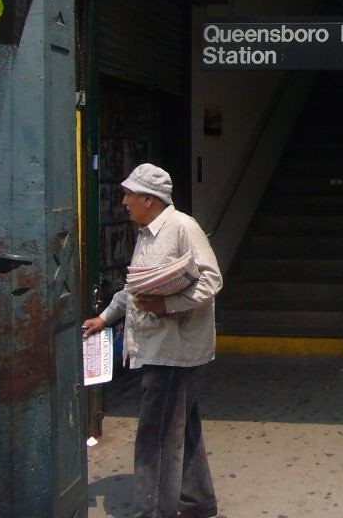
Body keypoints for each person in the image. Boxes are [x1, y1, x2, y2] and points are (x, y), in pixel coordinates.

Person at [83, 163, 223, 518]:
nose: (124, 201)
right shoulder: (147, 233)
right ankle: (197, 502)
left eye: (130, 194)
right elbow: (133, 290)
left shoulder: (182, 228)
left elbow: (211, 280)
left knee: (157, 437)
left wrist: (167, 304)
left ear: (149, 198)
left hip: (175, 352)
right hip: (158, 347)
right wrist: (105, 317)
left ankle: (153, 511)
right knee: (181, 428)